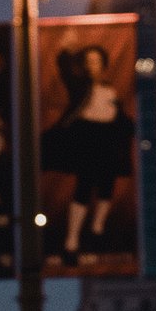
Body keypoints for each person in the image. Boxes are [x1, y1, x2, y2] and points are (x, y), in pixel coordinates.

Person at [39, 45, 136, 259]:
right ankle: (72, 239)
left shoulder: (109, 89)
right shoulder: (79, 86)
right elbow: (64, 66)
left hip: (107, 139)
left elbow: (117, 115)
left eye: (96, 61)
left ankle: (97, 229)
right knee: (84, 185)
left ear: (103, 65)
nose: (93, 65)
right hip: (86, 137)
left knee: (106, 185)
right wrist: (72, 55)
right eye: (88, 62)